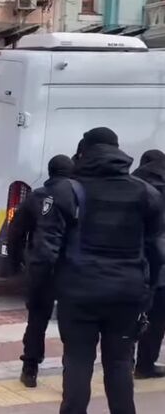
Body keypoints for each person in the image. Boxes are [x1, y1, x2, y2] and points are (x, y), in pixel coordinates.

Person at [28, 127, 162, 414]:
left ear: (84, 153)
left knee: (77, 362)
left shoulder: (68, 191)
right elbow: (156, 252)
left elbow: (45, 251)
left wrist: (40, 292)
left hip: (78, 295)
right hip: (127, 295)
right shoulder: (145, 193)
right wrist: (146, 295)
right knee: (120, 364)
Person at [7, 155, 74, 388]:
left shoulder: (36, 197)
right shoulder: (78, 196)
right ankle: (73, 373)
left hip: (40, 266)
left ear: (50, 172)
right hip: (70, 268)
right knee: (72, 322)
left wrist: (15, 263)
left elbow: (15, 232)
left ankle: (30, 369)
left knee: (37, 319)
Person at [133, 149, 165, 379]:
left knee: (127, 321)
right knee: (157, 319)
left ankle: (128, 363)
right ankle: (145, 366)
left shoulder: (130, 187)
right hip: (160, 266)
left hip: (131, 265)